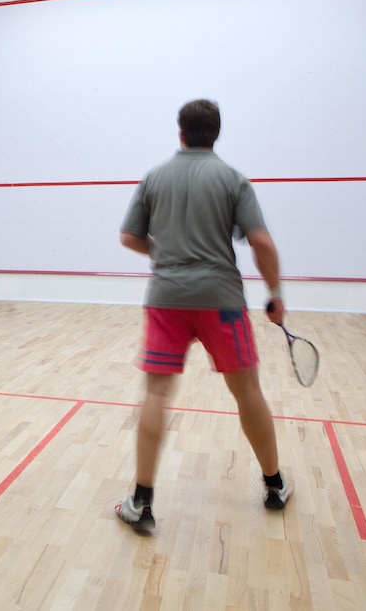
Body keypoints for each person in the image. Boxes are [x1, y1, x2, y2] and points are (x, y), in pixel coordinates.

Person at [116, 99, 291, 533]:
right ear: (216, 134)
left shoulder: (154, 177)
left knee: (156, 393)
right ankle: (274, 485)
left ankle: (141, 501)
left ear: (180, 132)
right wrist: (275, 294)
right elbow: (262, 243)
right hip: (222, 301)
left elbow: (129, 237)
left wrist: (165, 252)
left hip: (166, 299)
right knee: (247, 392)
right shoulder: (233, 179)